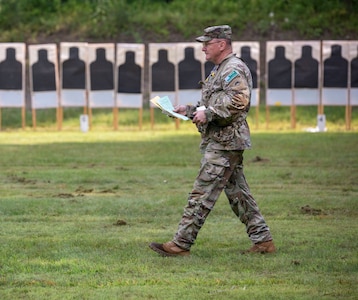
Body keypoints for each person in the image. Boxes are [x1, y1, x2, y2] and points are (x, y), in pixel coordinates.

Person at [149, 25, 275, 257]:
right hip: (221, 141)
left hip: (226, 143)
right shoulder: (220, 69)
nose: (203, 48)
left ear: (222, 44)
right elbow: (210, 104)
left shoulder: (233, 69)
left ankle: (180, 244)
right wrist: (187, 109)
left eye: (207, 43)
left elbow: (238, 101)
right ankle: (263, 240)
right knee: (239, 194)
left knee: (202, 192)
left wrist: (209, 114)